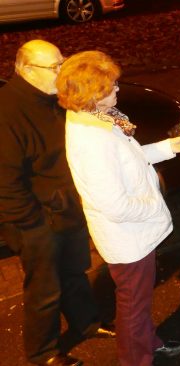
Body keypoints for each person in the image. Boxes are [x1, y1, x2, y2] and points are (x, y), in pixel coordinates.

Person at [57, 50, 180, 366]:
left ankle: (148, 343)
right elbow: (112, 204)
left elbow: (131, 157)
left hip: (135, 233)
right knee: (132, 304)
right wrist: (154, 207)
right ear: (90, 94)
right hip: (128, 237)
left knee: (138, 301)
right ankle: (135, 359)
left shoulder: (99, 120)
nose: (118, 88)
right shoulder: (91, 140)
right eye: (110, 86)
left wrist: (169, 148)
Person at [0, 40, 111, 366]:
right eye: (55, 66)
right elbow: (4, 182)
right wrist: (33, 224)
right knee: (44, 289)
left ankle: (87, 323)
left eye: (63, 61)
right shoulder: (8, 111)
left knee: (75, 272)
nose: (63, 70)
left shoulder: (53, 100)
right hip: (35, 220)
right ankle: (42, 353)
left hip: (66, 208)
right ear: (26, 70)